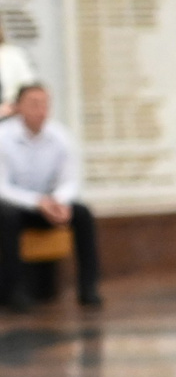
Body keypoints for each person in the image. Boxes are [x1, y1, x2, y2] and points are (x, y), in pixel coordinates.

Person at [0, 84, 102, 310]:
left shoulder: (60, 136)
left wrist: (58, 201)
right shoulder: (3, 138)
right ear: (18, 108)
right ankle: (14, 291)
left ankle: (89, 288)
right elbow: (2, 187)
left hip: (50, 204)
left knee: (83, 213)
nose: (40, 110)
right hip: (17, 205)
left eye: (45, 104)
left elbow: (70, 179)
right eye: (34, 104)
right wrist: (38, 202)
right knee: (7, 217)